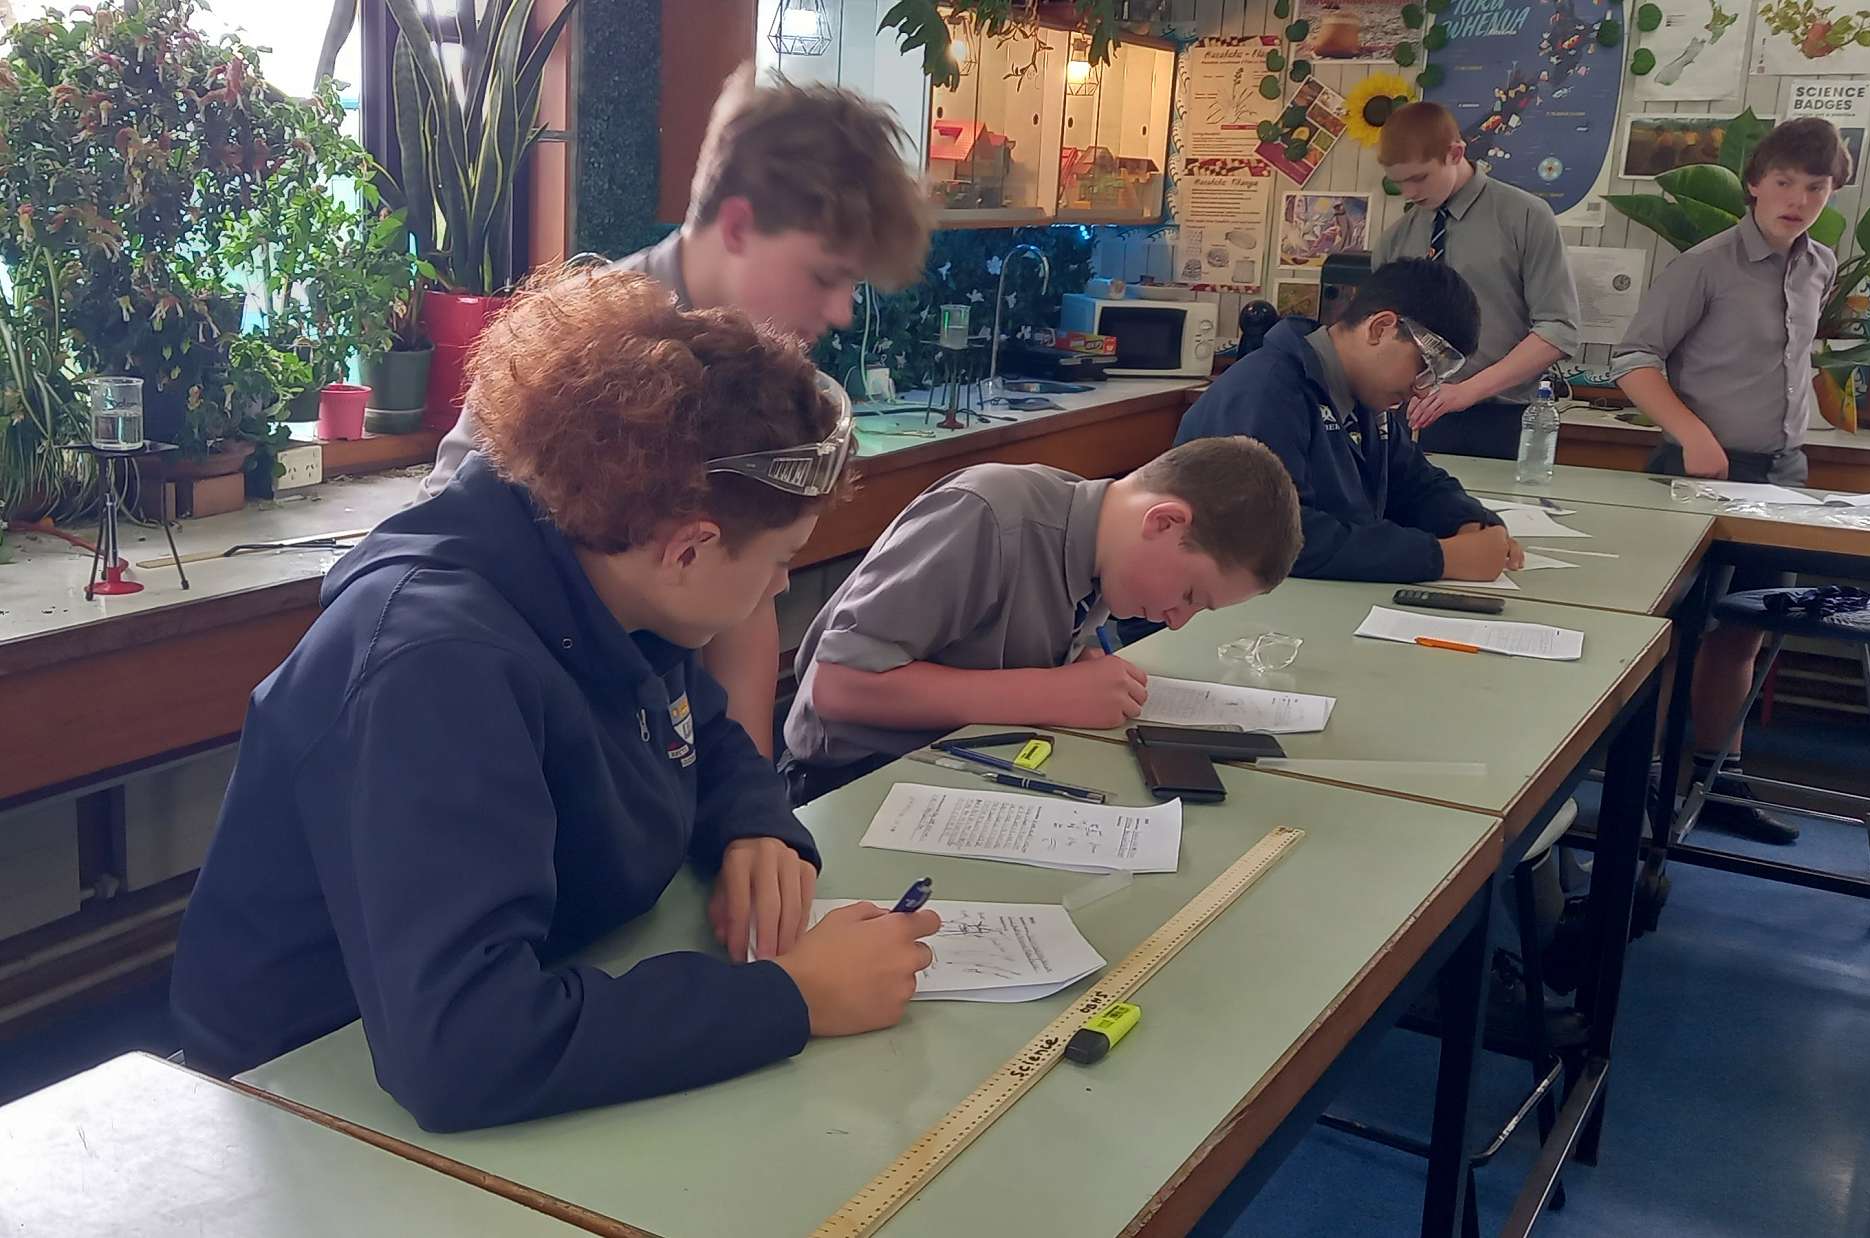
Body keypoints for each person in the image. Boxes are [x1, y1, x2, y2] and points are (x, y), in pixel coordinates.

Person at [172, 268, 940, 1131]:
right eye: (778, 559)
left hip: (530, 995)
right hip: (309, 1094)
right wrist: (790, 998)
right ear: (688, 550)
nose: (782, 583)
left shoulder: (605, 564)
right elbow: (463, 1051)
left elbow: (699, 732)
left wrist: (753, 822)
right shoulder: (434, 671)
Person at [419, 64, 930, 758]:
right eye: (824, 276)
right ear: (739, 225)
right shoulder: (579, 355)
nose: (841, 312)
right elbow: (451, 561)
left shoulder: (762, 372)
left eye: (853, 285)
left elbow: (747, 595)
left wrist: (752, 800)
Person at [779, 438, 1304, 801]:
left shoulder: (1103, 563)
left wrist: (1074, 670)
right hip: (846, 783)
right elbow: (838, 686)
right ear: (1164, 522)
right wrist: (1048, 692)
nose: (1176, 621)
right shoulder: (988, 514)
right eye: (1189, 595)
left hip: (961, 769)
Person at [1611, 117, 1849, 845]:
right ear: (1754, 184)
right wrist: (1691, 433)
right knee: (1673, 634)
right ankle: (1644, 778)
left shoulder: (1820, 265)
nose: (1798, 199)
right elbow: (1633, 358)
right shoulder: (1706, 265)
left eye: (1816, 187)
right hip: (1698, 471)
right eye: (1784, 182)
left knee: (1744, 633)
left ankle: (1720, 782)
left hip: (1781, 475)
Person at [1175, 258, 1521, 585]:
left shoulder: (1366, 399)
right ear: (1380, 328)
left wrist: (1470, 523)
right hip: (1222, 609)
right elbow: (1272, 537)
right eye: (1424, 368)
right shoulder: (1266, 391)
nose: (1422, 390)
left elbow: (1416, 483)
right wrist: (1442, 558)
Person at [1372, 102, 1582, 459]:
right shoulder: (1395, 240)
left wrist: (1467, 391)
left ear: (1455, 153)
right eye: (1399, 182)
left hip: (1502, 417)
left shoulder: (1525, 217)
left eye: (1419, 178)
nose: (1408, 193)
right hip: (1415, 417)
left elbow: (1558, 329)